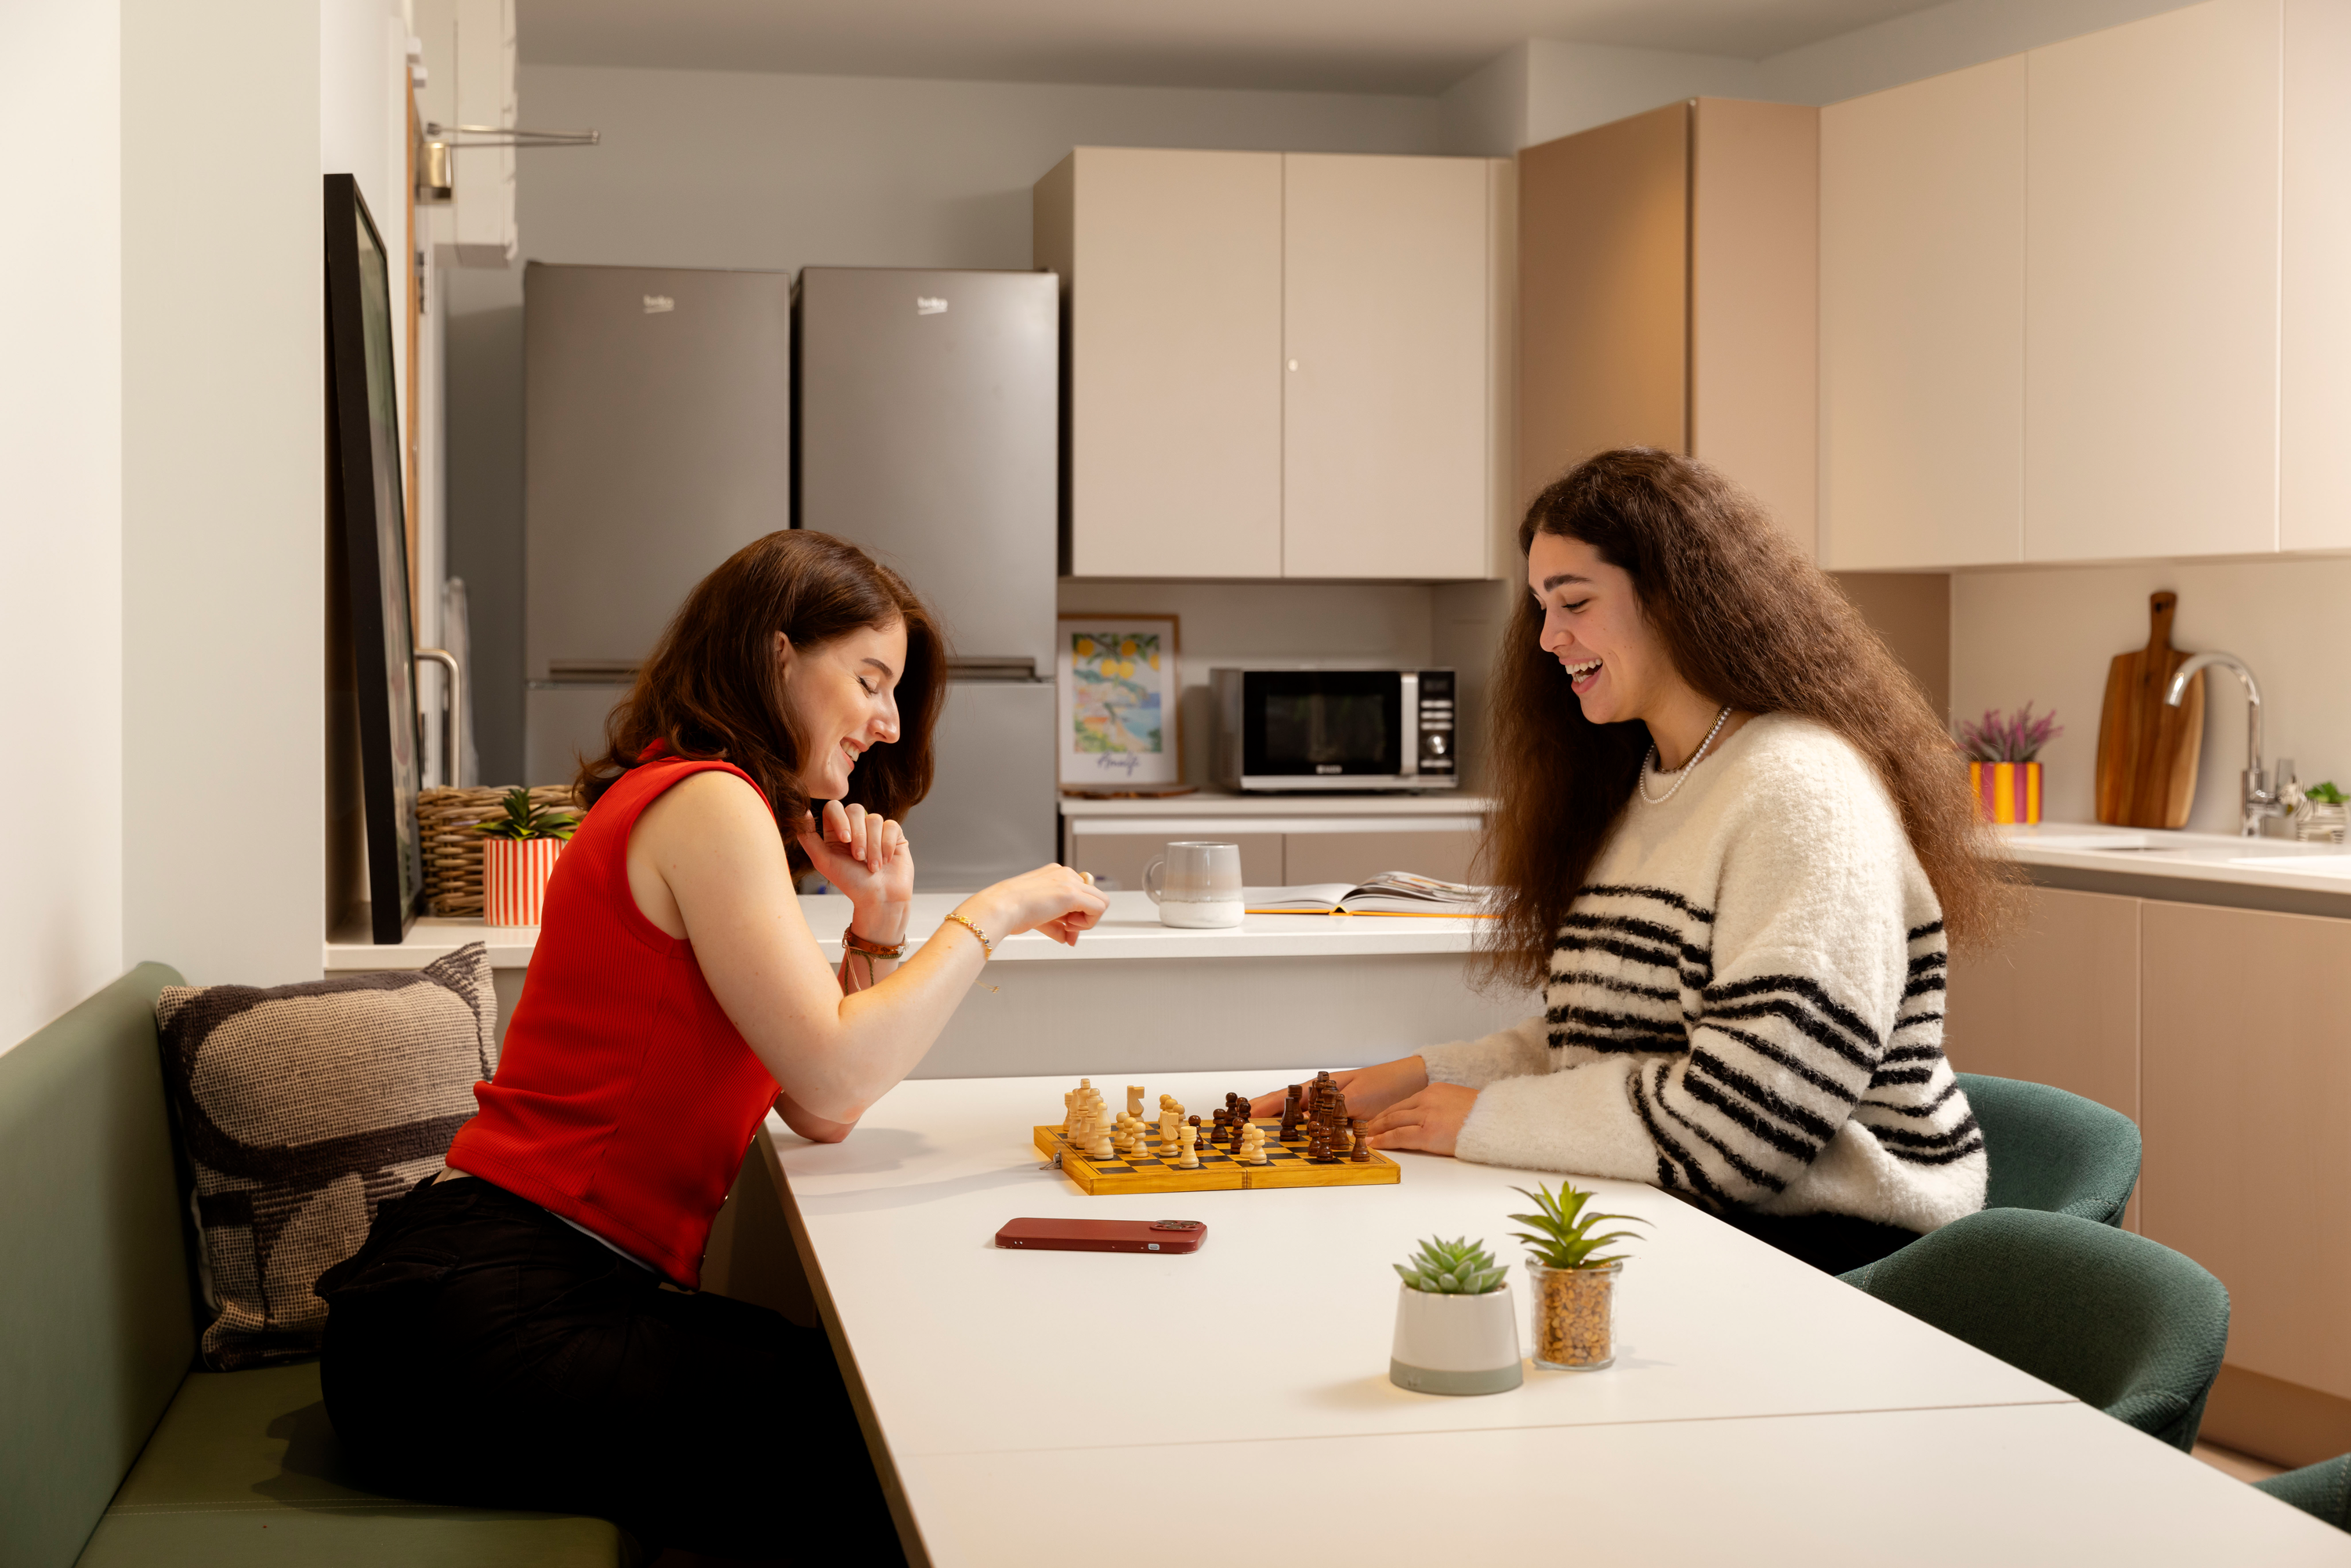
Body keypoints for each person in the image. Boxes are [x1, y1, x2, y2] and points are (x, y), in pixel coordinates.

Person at [317, 531, 1108, 1561]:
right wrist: (998, 909)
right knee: (866, 1435)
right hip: (482, 1317)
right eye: (869, 678)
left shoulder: (696, 797)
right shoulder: (710, 800)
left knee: (858, 1403)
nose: (888, 719)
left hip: (506, 1299)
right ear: (777, 652)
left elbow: (823, 1107)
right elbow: (835, 1067)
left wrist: (879, 920)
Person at [1256, 449, 2017, 1275]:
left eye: (1574, 602)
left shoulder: (1803, 788)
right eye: (1542, 607)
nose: (1549, 639)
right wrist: (1409, 1080)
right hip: (1700, 1208)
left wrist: (1477, 1118)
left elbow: (1747, 1125)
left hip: (1834, 1254)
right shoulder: (1658, 781)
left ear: (1676, 598)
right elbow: (1603, 1045)